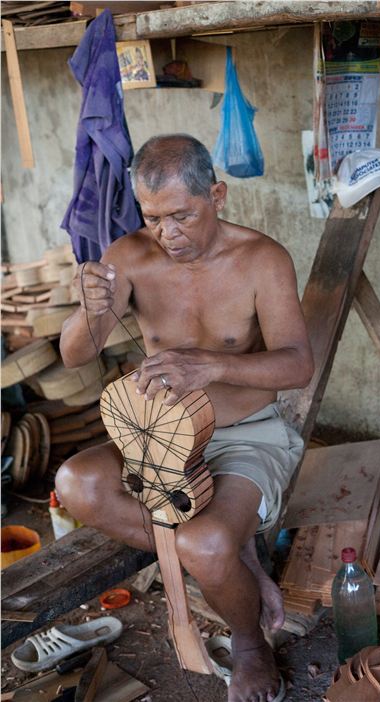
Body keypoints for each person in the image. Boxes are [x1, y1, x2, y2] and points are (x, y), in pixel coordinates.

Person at [57, 134, 314, 702]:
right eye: (153, 219)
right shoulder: (129, 256)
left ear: (217, 195)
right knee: (77, 482)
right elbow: (75, 353)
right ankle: (232, 560)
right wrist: (87, 309)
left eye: (181, 216)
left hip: (246, 435)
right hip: (160, 433)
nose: (167, 234)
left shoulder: (261, 258)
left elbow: (299, 364)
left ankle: (249, 642)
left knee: (206, 543)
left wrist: (212, 365)